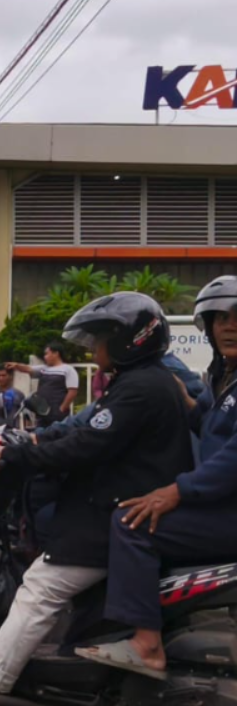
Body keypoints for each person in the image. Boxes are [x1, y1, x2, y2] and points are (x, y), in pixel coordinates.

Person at [0, 292, 193, 706]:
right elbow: (80, 429)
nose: (93, 348)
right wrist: (33, 438)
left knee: (41, 588)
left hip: (114, 513)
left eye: (101, 339)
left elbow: (84, 446)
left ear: (128, 341)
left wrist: (16, 454)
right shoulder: (138, 381)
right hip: (113, 504)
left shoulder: (140, 387)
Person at [73, 275, 237, 680]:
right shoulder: (224, 378)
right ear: (210, 328)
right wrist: (190, 406)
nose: (231, 326)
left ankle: (146, 645)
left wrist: (177, 491)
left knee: (131, 523)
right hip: (221, 502)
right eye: (222, 319)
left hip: (229, 510)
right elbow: (218, 429)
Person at [6, 342, 78, 427]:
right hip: (42, 410)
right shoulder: (44, 369)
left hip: (57, 410)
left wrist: (62, 408)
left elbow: (72, 391)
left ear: (56, 353)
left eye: (47, 354)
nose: (45, 357)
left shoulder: (68, 369)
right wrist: (16, 365)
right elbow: (28, 369)